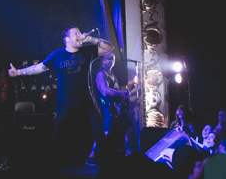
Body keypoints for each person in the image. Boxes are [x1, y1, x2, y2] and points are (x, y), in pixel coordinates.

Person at [9, 26, 113, 165]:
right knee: (57, 135)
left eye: (79, 32)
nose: (79, 34)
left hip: (86, 101)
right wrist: (18, 72)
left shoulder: (87, 51)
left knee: (98, 132)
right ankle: (44, 163)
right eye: (76, 33)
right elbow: (38, 68)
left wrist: (90, 39)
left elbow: (108, 48)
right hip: (66, 103)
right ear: (67, 39)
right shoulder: (57, 55)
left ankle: (103, 163)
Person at [86, 51, 137, 165]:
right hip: (109, 108)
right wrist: (124, 93)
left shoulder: (111, 73)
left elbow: (116, 88)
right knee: (106, 132)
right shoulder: (101, 73)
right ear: (102, 60)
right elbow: (105, 91)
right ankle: (91, 155)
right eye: (108, 59)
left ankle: (129, 153)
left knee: (129, 128)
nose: (111, 61)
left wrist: (128, 87)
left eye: (113, 59)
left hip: (118, 107)